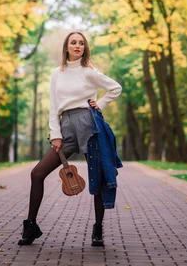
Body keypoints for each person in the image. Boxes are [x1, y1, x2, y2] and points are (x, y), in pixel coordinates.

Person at [18, 31, 122, 247]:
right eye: (73, 43)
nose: (77, 46)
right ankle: (31, 226)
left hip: (89, 124)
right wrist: (55, 134)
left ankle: (98, 230)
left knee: (99, 177)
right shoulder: (57, 73)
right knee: (37, 173)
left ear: (85, 48)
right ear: (66, 47)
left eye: (81, 43)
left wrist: (99, 104)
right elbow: (54, 106)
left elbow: (115, 88)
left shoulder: (89, 71)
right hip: (66, 126)